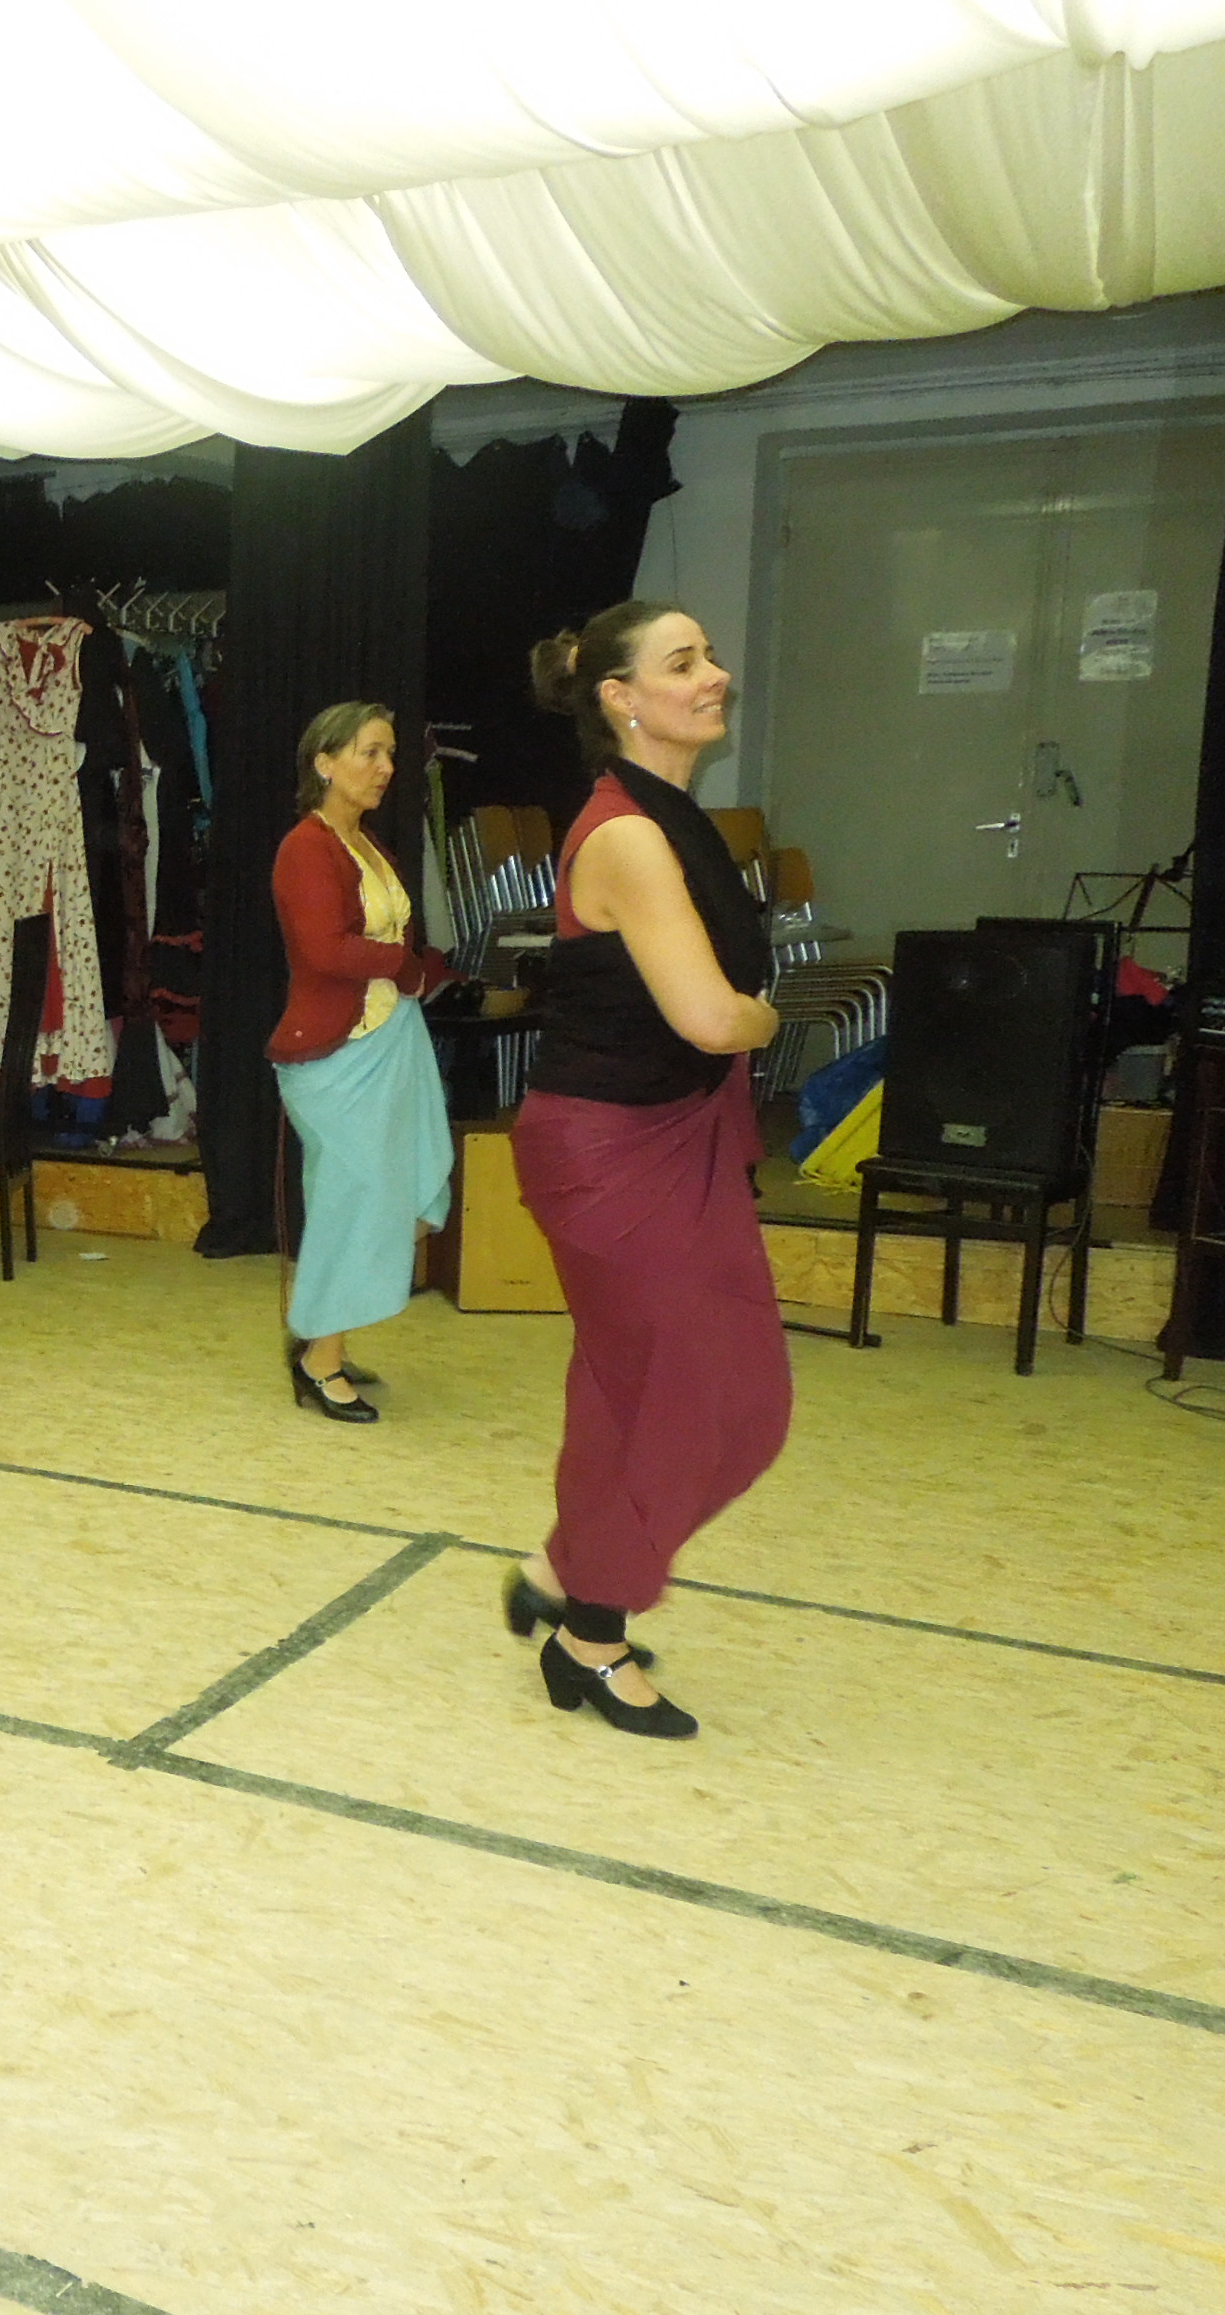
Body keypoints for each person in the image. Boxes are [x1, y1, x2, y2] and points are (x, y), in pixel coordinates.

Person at [504, 601, 785, 1741]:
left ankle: (571, 1571)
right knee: (696, 1405)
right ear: (620, 698)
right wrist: (768, 1017)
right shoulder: (626, 834)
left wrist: (740, 1016)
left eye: (710, 655)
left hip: (677, 1130)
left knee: (676, 1396)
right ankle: (590, 1634)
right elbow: (714, 1016)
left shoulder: (673, 816)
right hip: (611, 1152)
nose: (715, 674)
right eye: (684, 662)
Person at [267, 702, 453, 1423]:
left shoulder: (365, 844)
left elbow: (380, 939)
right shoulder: (306, 848)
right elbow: (325, 949)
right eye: (370, 752)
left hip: (388, 1043)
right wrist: (406, 968)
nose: (386, 768)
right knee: (354, 1202)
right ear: (324, 762)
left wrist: (421, 970)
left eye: (390, 754)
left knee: (386, 1194)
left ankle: (327, 1339)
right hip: (335, 1056)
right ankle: (318, 1361)